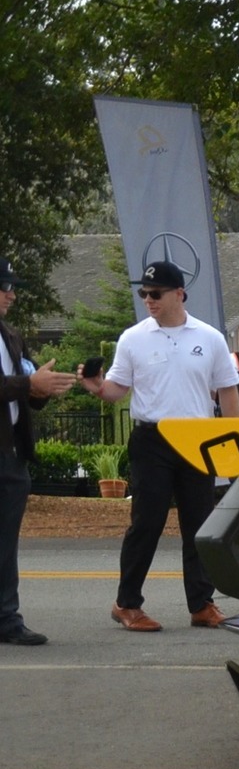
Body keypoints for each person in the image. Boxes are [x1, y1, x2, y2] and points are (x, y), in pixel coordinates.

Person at [77, 260, 239, 632]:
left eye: (156, 294)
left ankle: (201, 604)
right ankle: (127, 603)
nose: (148, 300)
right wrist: (98, 387)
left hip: (197, 439)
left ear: (179, 294)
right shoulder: (133, 338)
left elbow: (228, 391)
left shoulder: (210, 337)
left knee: (199, 525)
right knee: (147, 522)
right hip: (152, 438)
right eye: (144, 294)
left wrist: (231, 440)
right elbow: (118, 389)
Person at [1, 257, 77, 645]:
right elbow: (15, 383)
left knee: (6, 542)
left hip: (11, 453)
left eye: (12, 287)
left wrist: (42, 389)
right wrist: (28, 382)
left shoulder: (11, 335)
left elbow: (24, 390)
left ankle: (6, 619)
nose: (11, 294)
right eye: (4, 286)